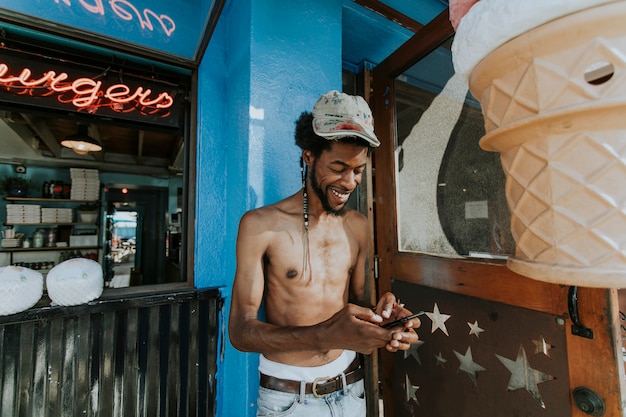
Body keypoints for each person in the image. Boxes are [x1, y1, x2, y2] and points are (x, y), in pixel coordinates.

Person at [229, 90, 421, 417]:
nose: (349, 182)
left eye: (358, 170)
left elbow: (360, 303)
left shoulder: (358, 226)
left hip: (352, 387)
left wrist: (385, 317)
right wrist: (325, 334)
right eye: (338, 167)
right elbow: (241, 332)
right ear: (309, 157)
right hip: (288, 398)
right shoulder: (260, 225)